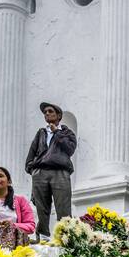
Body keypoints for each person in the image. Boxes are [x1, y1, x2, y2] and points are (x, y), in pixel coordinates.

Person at [25, 101, 77, 238]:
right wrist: (31, 168)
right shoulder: (41, 133)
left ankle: (66, 238)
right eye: (45, 112)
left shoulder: (67, 133)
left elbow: (70, 149)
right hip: (40, 172)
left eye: (50, 111)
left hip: (60, 171)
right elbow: (32, 151)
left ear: (58, 115)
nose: (47, 114)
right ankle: (43, 237)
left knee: (63, 206)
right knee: (41, 207)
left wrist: (57, 133)